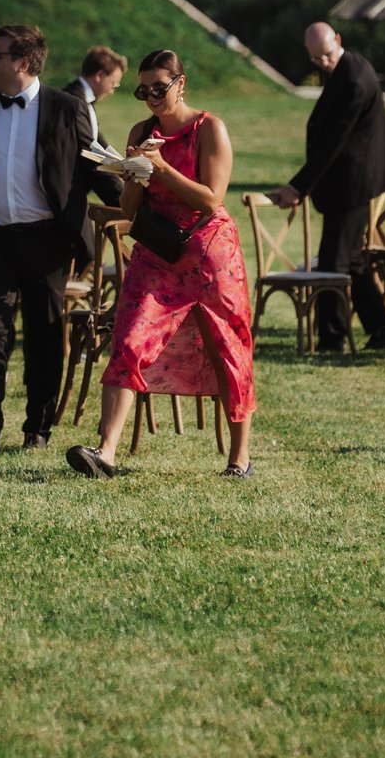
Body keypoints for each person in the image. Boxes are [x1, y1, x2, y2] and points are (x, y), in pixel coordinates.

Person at [65, 50, 257, 480]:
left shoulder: (209, 128)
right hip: (158, 250)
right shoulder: (142, 130)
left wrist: (162, 168)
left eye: (159, 88)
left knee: (228, 347)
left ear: (181, 83)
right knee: (130, 337)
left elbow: (211, 199)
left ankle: (240, 459)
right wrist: (133, 177)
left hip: (209, 251)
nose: (151, 96)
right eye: (142, 90)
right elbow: (130, 208)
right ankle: (106, 453)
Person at [0, 24, 97, 451]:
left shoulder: (67, 109)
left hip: (47, 240)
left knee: (45, 335)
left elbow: (95, 169)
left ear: (23, 62)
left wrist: (140, 202)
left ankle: (37, 429)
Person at [270, 22, 385, 352]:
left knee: (334, 261)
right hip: (350, 179)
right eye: (316, 60)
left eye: (327, 56)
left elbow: (334, 141)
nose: (323, 64)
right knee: (351, 260)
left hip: (355, 182)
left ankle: (333, 338)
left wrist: (298, 187)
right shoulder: (346, 68)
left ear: (339, 41)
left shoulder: (355, 78)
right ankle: (383, 330)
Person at [67, 45, 128, 269]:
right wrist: (123, 195)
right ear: (99, 75)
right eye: (114, 83)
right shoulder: (73, 101)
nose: (113, 90)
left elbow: (99, 144)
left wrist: (124, 167)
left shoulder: (82, 99)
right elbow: (89, 152)